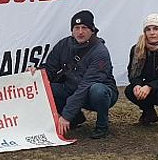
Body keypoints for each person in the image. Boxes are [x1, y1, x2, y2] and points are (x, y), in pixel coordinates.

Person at [30, 10, 118, 139]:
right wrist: (36, 72)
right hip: (72, 87)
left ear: (92, 30)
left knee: (98, 90)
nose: (80, 32)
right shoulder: (64, 44)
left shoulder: (100, 51)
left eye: (84, 28)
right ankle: (76, 119)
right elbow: (50, 69)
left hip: (96, 93)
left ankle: (102, 125)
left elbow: (86, 85)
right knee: (47, 88)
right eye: (76, 28)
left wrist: (66, 115)